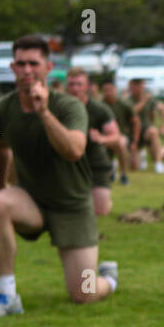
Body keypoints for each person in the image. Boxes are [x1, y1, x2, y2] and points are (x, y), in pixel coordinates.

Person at [0, 35, 117, 318]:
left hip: (72, 204)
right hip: (32, 200)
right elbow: (0, 151)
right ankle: (7, 297)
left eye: (34, 63)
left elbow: (75, 150)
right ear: (12, 67)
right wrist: (2, 188)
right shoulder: (0, 110)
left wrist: (43, 112)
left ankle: (109, 278)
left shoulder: (68, 107)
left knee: (83, 294)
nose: (27, 70)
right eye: (21, 63)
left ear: (48, 67)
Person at [65, 68, 120, 218]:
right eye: (71, 84)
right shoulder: (58, 108)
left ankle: (102, 197)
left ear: (87, 86)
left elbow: (116, 137)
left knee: (100, 211)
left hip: (95, 165)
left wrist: (102, 139)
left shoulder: (99, 109)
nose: (75, 88)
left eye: (79, 84)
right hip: (66, 165)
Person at [127, 79, 164, 173]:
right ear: (131, 87)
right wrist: (144, 100)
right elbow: (133, 111)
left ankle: (158, 163)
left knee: (153, 131)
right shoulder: (127, 100)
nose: (138, 88)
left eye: (140, 85)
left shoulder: (150, 100)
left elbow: (163, 108)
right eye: (135, 85)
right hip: (132, 134)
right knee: (134, 167)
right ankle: (147, 152)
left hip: (146, 131)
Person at [101, 79, 135, 184]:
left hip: (121, 135)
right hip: (104, 137)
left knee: (121, 144)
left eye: (110, 90)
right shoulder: (100, 105)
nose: (108, 92)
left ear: (115, 90)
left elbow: (135, 122)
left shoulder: (124, 105)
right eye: (105, 90)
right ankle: (109, 170)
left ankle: (124, 174)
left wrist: (135, 141)